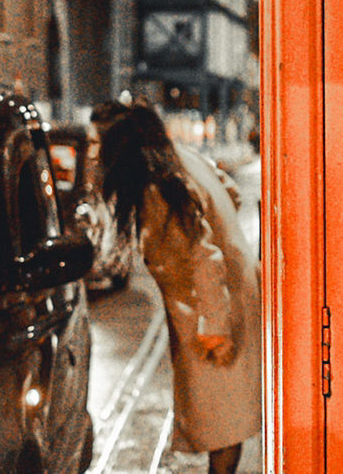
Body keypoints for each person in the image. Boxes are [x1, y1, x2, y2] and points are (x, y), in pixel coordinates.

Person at [97, 104, 262, 474]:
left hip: (211, 314)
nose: (96, 154)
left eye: (100, 145)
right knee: (227, 419)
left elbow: (204, 259)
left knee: (222, 425)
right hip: (231, 297)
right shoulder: (183, 161)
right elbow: (231, 193)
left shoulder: (157, 190)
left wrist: (216, 330)